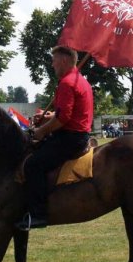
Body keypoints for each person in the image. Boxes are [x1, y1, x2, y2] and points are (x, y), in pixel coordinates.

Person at [15, 46, 93, 231]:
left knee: (33, 165)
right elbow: (65, 113)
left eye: (54, 61)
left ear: (64, 61)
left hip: (70, 138)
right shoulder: (80, 80)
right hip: (78, 135)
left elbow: (64, 119)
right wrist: (49, 116)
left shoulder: (67, 83)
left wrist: (41, 131)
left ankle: (39, 215)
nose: (52, 64)